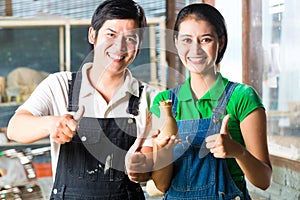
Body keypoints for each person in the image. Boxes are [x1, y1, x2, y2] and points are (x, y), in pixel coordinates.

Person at [7, 0, 161, 199]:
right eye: (111, 35)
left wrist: (143, 167)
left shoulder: (152, 98)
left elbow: (154, 162)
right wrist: (51, 123)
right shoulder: (59, 85)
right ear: (92, 35)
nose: (119, 46)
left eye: (130, 38)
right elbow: (15, 128)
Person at [150, 3, 272, 200]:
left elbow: (264, 180)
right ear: (176, 43)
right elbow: (162, 186)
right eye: (186, 40)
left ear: (220, 42)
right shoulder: (164, 103)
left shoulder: (242, 97)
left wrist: (238, 152)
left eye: (205, 39)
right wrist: (163, 152)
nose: (195, 50)